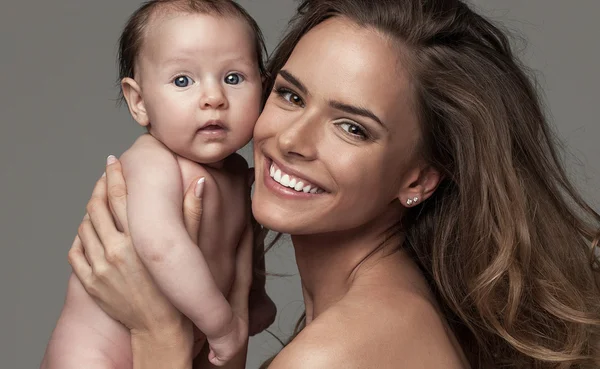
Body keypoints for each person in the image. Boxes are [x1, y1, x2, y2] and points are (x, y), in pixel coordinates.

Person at [52, 0, 600, 368]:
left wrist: (159, 335)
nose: (292, 139)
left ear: (420, 177)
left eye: (352, 127)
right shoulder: (387, 310)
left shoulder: (333, 354)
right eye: (290, 95)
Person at [41, 0, 275, 367]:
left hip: (177, 343)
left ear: (262, 88)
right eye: (183, 80)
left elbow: (241, 243)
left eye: (233, 78)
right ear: (139, 102)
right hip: (94, 353)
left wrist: (254, 296)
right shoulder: (152, 161)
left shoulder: (236, 171)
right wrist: (223, 325)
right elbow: (160, 247)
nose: (213, 98)